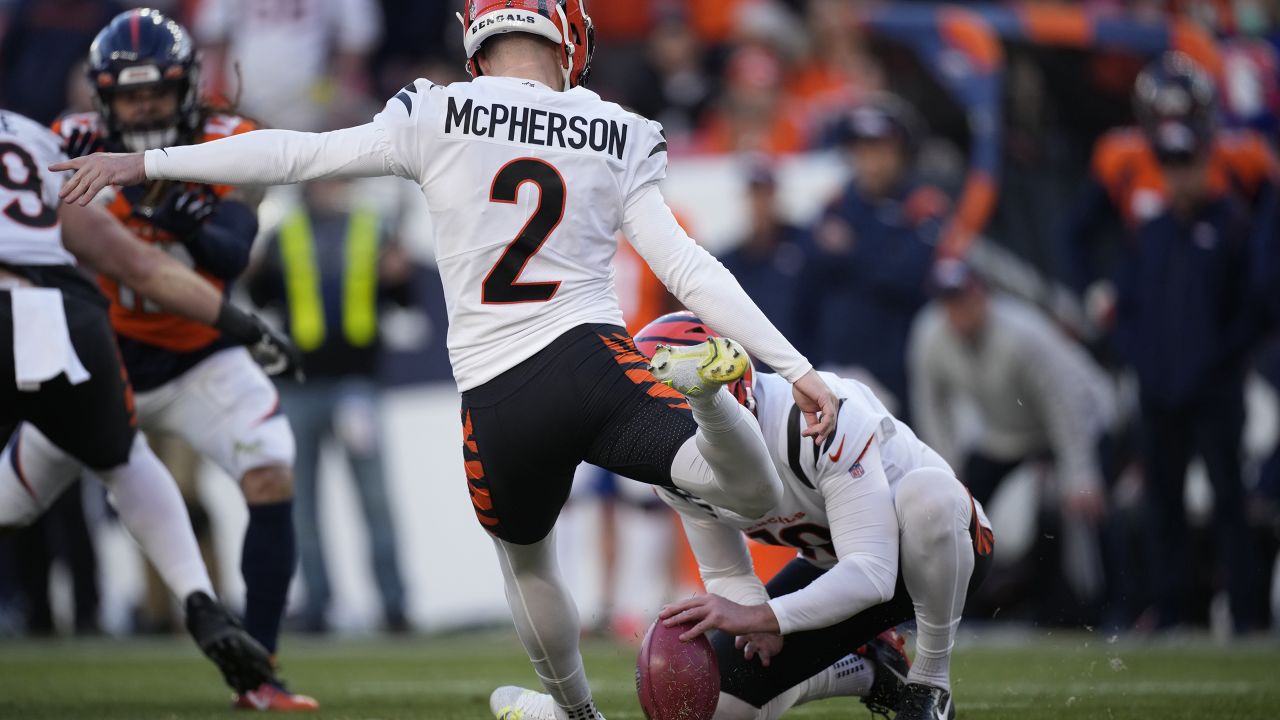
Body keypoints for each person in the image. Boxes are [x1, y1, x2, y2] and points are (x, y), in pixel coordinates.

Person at [52, 3, 842, 719]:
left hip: (495, 399)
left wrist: (147, 164)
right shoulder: (615, 125)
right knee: (747, 489)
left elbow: (300, 155)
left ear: (477, 40)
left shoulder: (437, 109)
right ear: (567, 36)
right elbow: (688, 269)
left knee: (528, 566)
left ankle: (575, 714)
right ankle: (707, 404)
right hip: (592, 361)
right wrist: (795, 366)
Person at [490, 311, 994, 720]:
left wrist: (762, 614)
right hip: (832, 567)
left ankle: (930, 683)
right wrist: (755, 620)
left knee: (931, 497)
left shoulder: (813, 415)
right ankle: (870, 669)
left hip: (939, 552)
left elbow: (875, 572)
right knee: (717, 708)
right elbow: (728, 571)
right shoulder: (674, 465)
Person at [34, 10, 316, 709]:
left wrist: (176, 209)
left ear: (187, 87)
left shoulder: (228, 139)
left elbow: (228, 252)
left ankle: (259, 669)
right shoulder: (65, 144)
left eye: (158, 90)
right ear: (103, 98)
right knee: (10, 500)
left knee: (271, 469)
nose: (145, 105)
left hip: (198, 359)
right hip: (99, 360)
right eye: (130, 95)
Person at [1065, 52, 1275, 632]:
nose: (1177, 164)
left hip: (1225, 358)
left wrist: (1243, 339)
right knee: (1162, 495)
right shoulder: (1130, 177)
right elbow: (1081, 239)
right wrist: (1101, 303)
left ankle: (1248, 611)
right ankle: (1170, 607)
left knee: (1232, 492)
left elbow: (1260, 274)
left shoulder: (1240, 178)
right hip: (1160, 357)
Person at [246, 179, 412, 634]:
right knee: (302, 504)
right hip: (300, 384)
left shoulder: (373, 227)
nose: (329, 187)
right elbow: (262, 298)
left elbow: (403, 299)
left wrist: (400, 277)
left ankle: (394, 606)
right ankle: (317, 603)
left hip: (357, 383)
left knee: (375, 501)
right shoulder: (283, 231)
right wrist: (256, 269)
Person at [795, 95, 947, 419]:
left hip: (898, 368)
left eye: (880, 150)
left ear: (901, 153)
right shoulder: (838, 202)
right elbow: (806, 264)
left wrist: (850, 252)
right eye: (862, 151)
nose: (871, 162)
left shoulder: (921, 204)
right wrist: (875, 254)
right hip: (833, 364)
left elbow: (910, 276)